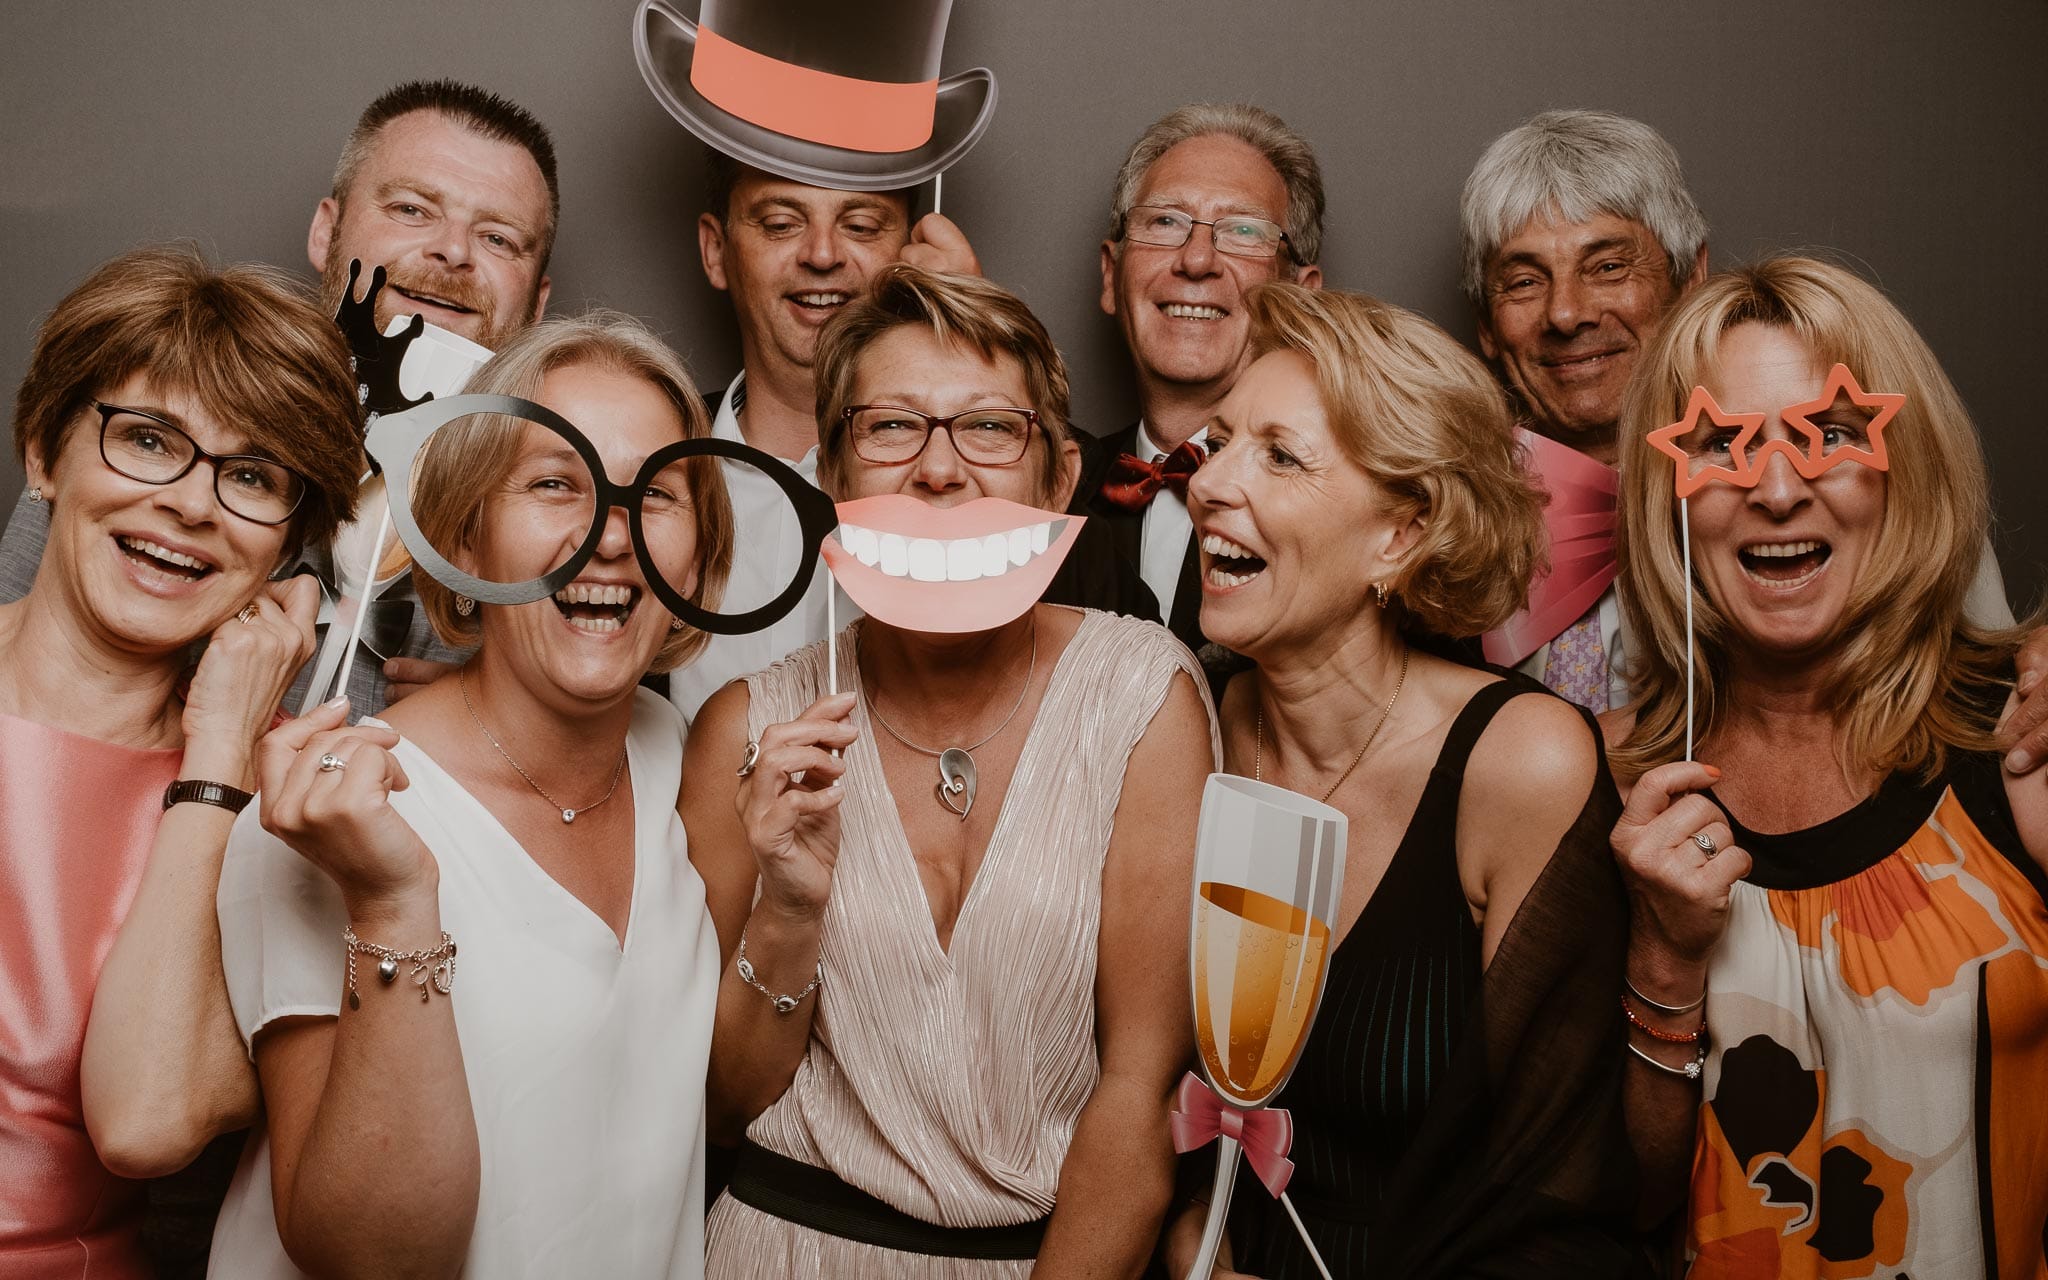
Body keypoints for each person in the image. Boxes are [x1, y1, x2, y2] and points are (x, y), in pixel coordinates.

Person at [682, 265, 1213, 1276]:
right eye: (889, 428)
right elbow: (720, 1102)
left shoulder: (1144, 695)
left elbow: (1140, 1090)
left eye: (986, 427)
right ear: (830, 472)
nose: (938, 469)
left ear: (1056, 476)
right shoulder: (743, 727)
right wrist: (788, 906)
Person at [204, 313, 734, 1277]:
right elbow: (370, 1256)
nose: (611, 536)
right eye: (551, 483)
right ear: (464, 539)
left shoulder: (679, 760)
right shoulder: (328, 812)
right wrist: (393, 902)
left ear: (699, 552)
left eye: (658, 494)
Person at [1163, 282, 1642, 1277]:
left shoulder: (1519, 761)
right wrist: (1183, 1243)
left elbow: (1557, 1182)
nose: (1206, 484)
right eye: (1218, 443)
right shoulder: (1181, 724)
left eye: (1278, 454)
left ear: (1399, 534)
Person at [1606, 257, 2048, 1276]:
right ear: (1664, 491)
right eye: (1719, 445)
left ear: (1907, 460)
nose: (1772, 487)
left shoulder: (2015, 736)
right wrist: (1664, 961)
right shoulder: (1609, 785)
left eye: (1830, 433)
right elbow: (1619, 1208)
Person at [0, 246, 362, 1274]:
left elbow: (149, 1121)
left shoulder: (289, 812)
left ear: (290, 542)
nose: (192, 504)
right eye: (149, 440)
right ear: (43, 450)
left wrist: (216, 753)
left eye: (251, 475)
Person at [0, 79, 559, 714]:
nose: (452, 251)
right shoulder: (139, 430)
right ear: (327, 233)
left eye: (498, 239)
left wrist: (512, 717)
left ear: (536, 303)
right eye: (410, 210)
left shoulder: (562, 511)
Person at [1459, 108, 2033, 719]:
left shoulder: (1870, 496)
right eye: (1522, 281)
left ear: (1692, 277)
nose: (1566, 314)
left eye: (1608, 267)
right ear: (1486, 325)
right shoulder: (1432, 519)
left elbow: (1999, 698)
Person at [666, 152, 986, 723]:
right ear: (717, 251)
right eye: (781, 223)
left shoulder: (1006, 470)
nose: (821, 254)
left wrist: (971, 360)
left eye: (860, 225)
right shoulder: (646, 466)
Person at [1078, 103, 1326, 659]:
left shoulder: (1343, 511)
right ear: (1111, 273)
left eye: (1243, 230)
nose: (1196, 261)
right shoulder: (1054, 490)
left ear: (1302, 294)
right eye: (1164, 221)